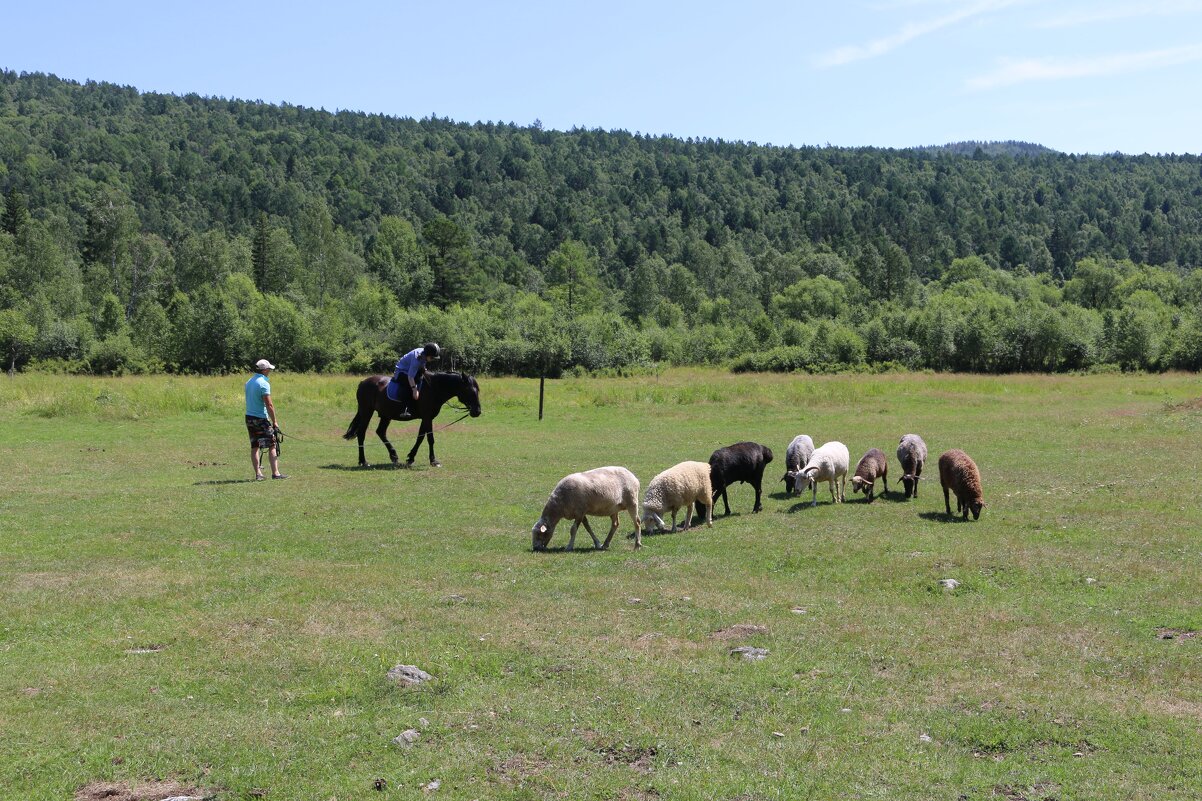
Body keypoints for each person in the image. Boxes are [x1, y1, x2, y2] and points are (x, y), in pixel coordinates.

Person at [245, 358, 287, 481]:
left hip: (249, 417)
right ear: (264, 370)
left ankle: (258, 474)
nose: (269, 371)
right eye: (269, 369)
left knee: (255, 446)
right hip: (261, 418)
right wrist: (275, 422)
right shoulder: (263, 383)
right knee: (272, 444)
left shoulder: (249, 381)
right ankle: (276, 473)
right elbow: (269, 405)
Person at [389, 342, 441, 418]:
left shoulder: (423, 354)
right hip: (401, 372)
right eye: (432, 357)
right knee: (408, 385)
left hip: (410, 370)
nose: (432, 359)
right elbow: (410, 377)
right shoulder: (417, 359)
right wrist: (414, 389)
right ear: (427, 354)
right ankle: (405, 409)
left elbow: (422, 364)